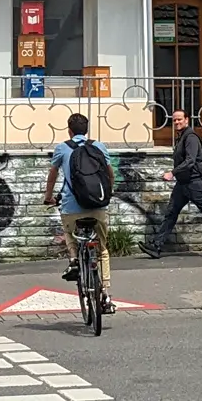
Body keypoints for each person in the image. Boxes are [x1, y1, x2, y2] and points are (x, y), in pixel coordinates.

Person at [43, 113, 117, 315]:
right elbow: (110, 174)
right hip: (97, 205)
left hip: (71, 206)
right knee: (102, 250)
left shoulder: (62, 148)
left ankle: (75, 260)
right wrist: (108, 193)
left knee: (69, 233)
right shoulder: (99, 147)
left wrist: (48, 196)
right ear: (87, 130)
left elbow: (53, 175)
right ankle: (106, 295)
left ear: (69, 130)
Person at [142, 109, 202, 258]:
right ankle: (156, 247)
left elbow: (190, 161)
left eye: (179, 119)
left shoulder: (190, 138)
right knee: (171, 213)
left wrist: (172, 173)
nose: (177, 122)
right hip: (183, 183)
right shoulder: (182, 137)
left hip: (193, 182)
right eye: (174, 120)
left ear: (186, 120)